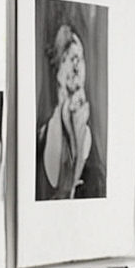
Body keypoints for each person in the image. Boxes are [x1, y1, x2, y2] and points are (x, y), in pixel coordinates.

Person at [37, 21, 106, 200]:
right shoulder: (46, 133)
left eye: (80, 58)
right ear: (57, 67)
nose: (77, 66)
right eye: (69, 57)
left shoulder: (86, 130)